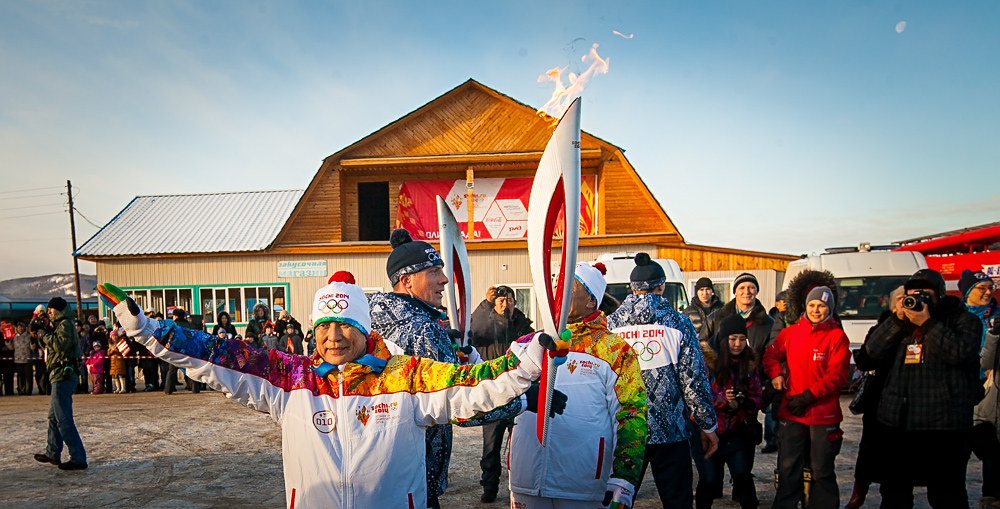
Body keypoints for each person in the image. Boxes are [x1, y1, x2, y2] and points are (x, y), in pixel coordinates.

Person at [96, 274, 565, 508]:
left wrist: (525, 361)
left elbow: (473, 384)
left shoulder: (402, 376)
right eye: (324, 327)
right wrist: (148, 331)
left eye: (345, 326)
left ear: (364, 330)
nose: (334, 337)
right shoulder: (292, 379)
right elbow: (221, 357)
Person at [508, 262, 648, 509]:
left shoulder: (615, 351)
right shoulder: (528, 343)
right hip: (527, 477)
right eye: (555, 286)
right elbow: (496, 388)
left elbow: (632, 414)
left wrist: (624, 478)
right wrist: (471, 359)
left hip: (582, 485)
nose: (557, 292)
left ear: (591, 301)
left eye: (568, 287)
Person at [864, 268, 983, 507]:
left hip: (943, 426)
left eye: (926, 294)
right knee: (894, 494)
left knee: (947, 495)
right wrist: (896, 319)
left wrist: (927, 323)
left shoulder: (963, 319)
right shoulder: (899, 321)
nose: (919, 299)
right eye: (913, 294)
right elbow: (870, 354)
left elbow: (961, 353)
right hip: (899, 423)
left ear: (940, 294)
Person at [607, 253, 717, 509]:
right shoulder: (679, 323)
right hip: (671, 431)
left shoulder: (610, 326)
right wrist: (707, 425)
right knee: (677, 502)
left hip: (625, 429)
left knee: (616, 502)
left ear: (632, 289)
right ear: (661, 287)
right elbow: (694, 381)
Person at [367, 228, 463, 508]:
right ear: (406, 281)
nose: (444, 279)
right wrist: (520, 397)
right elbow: (458, 399)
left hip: (374, 467)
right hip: (418, 470)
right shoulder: (424, 330)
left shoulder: (366, 323)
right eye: (433, 272)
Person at [763, 282, 850, 509]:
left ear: (830, 309)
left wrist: (809, 396)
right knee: (788, 468)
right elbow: (770, 356)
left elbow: (837, 375)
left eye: (821, 306)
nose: (816, 310)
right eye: (812, 305)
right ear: (805, 306)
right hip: (792, 410)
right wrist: (776, 374)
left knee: (821, 470)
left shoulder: (837, 337)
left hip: (823, 414)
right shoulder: (790, 333)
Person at [469, 285, 535, 502]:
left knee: (522, 446)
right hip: (494, 396)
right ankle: (490, 486)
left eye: (509, 301)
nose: (506, 305)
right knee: (491, 447)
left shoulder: (524, 326)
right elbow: (473, 328)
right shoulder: (484, 327)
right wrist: (486, 305)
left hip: (521, 394)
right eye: (501, 301)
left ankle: (521, 486)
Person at [697, 314, 763, 508]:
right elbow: (697, 396)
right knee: (709, 481)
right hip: (708, 430)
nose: (737, 344)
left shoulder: (749, 362)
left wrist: (748, 402)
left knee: (743, 478)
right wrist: (722, 399)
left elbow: (758, 394)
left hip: (736, 429)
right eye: (733, 339)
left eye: (742, 339)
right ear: (724, 339)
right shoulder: (705, 361)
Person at [846, 285, 903, 508]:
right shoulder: (882, 327)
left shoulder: (923, 328)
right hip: (880, 399)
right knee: (869, 451)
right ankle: (859, 492)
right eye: (901, 298)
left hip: (910, 402)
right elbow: (865, 359)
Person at [31, 297, 87, 470]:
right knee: (54, 417)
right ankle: (52, 452)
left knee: (63, 418)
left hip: (64, 375)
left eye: (51, 309)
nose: (48, 312)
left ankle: (78, 457)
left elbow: (60, 345)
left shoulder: (65, 324)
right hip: (58, 374)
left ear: (60, 310)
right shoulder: (59, 324)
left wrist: (44, 334)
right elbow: (48, 345)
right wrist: (40, 332)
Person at [960, 269, 1000, 506]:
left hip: (993, 387)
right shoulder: (959, 316)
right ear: (967, 292)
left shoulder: (997, 315)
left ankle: (991, 494)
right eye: (981, 288)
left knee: (992, 442)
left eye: (990, 288)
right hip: (965, 386)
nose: (987, 292)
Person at [165, 308, 200, 395]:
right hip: (188, 350)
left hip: (175, 351)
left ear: (176, 316)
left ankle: (168, 389)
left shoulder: (173, 325)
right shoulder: (190, 325)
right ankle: (195, 388)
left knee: (172, 370)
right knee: (191, 368)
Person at [14, 322, 34, 395]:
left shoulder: (28, 336)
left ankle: (28, 390)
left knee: (28, 376)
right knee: (20, 376)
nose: (20, 329)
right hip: (18, 359)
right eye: (18, 327)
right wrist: (7, 341)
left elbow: (32, 347)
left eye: (21, 327)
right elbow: (10, 347)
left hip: (27, 359)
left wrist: (32, 341)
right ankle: (21, 390)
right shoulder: (15, 337)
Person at [0, 324, 15, 396]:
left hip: (9, 359)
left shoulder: (11, 335)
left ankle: (9, 391)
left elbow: (12, 347)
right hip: (2, 358)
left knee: (9, 376)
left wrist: (8, 342)